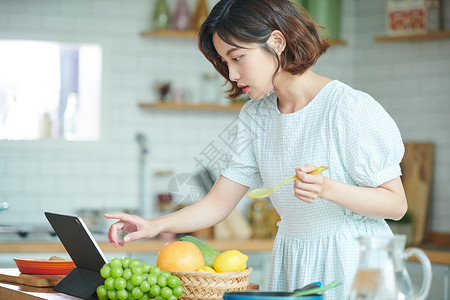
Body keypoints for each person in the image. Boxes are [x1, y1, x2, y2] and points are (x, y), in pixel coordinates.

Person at [105, 0, 407, 298]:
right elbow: (218, 204)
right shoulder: (256, 116)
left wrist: (326, 188)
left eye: (237, 58)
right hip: (292, 258)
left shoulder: (347, 107)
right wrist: (153, 225)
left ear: (276, 42)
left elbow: (395, 205)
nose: (232, 74)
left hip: (352, 263)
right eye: (225, 62)